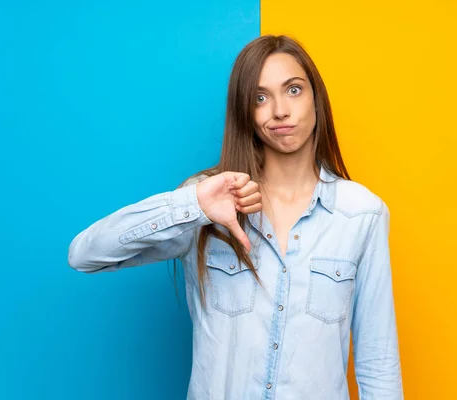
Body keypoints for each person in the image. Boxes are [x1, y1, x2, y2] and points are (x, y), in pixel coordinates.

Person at [68, 34, 403, 399]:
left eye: (293, 90)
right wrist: (193, 205)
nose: (279, 110)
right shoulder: (207, 201)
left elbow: (378, 364)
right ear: (245, 111)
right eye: (260, 97)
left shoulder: (362, 214)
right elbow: (85, 255)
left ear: (316, 99)